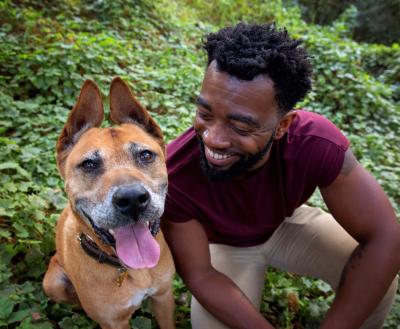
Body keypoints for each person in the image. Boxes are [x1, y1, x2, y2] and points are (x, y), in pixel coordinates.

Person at [161, 23, 400, 329]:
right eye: (205, 114)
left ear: (283, 125)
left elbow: (386, 236)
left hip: (284, 225)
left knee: (380, 281)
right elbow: (201, 275)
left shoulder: (314, 143)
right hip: (221, 246)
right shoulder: (176, 172)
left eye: (241, 126)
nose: (213, 139)